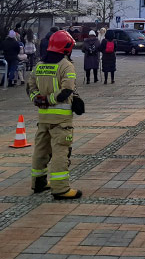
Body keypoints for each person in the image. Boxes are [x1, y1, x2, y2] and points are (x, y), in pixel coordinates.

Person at [26, 30, 82, 199]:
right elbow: (66, 91)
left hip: (43, 117)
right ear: (66, 48)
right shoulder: (66, 65)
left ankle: (39, 182)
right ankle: (60, 188)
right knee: (60, 152)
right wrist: (51, 99)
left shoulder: (39, 64)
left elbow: (30, 88)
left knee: (41, 150)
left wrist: (39, 100)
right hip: (61, 120)